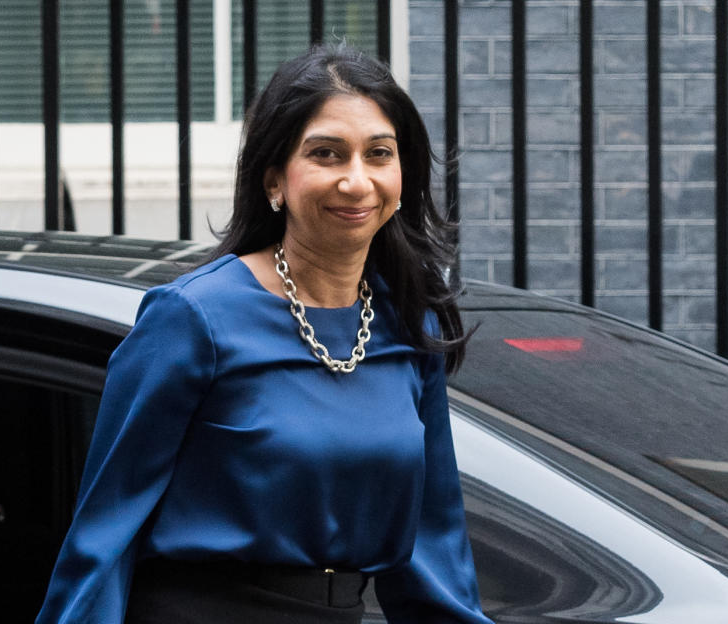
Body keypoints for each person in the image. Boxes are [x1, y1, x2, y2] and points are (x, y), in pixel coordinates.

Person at [35, 44, 493, 624]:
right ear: (275, 178)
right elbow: (105, 536)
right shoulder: (193, 318)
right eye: (326, 154)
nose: (357, 181)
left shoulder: (408, 321)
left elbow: (433, 548)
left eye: (379, 154)